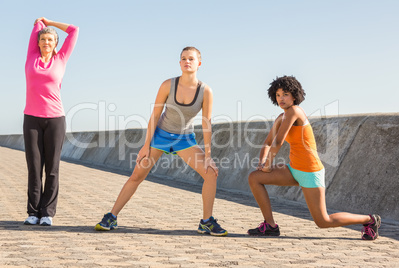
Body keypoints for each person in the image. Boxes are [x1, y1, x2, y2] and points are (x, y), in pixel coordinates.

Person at [95, 47, 228, 236]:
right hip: (160, 135)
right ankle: (111, 216)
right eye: (183, 58)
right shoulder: (168, 85)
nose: (187, 62)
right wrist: (145, 145)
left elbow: (207, 123)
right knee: (136, 176)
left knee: (211, 173)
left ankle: (206, 222)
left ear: (199, 63)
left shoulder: (205, 91)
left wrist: (208, 156)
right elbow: (155, 115)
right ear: (180, 63)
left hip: (184, 138)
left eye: (191, 59)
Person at [247, 75, 381, 240]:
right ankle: (270, 226)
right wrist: (262, 163)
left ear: (294, 96)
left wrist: (267, 165)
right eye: (278, 95)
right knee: (255, 177)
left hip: (310, 172)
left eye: (285, 94)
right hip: (294, 169)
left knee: (323, 221)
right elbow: (267, 143)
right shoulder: (281, 117)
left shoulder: (295, 111)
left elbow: (279, 141)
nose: (281, 98)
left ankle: (370, 220)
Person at [23, 17, 79, 226]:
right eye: (43, 39)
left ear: (56, 43)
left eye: (50, 40)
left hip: (55, 119)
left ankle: (47, 213)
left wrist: (50, 23)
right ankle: (33, 212)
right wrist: (39, 24)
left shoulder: (61, 59)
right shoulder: (31, 56)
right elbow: (36, 28)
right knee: (34, 167)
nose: (47, 42)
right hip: (32, 119)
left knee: (52, 168)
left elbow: (74, 30)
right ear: (38, 42)